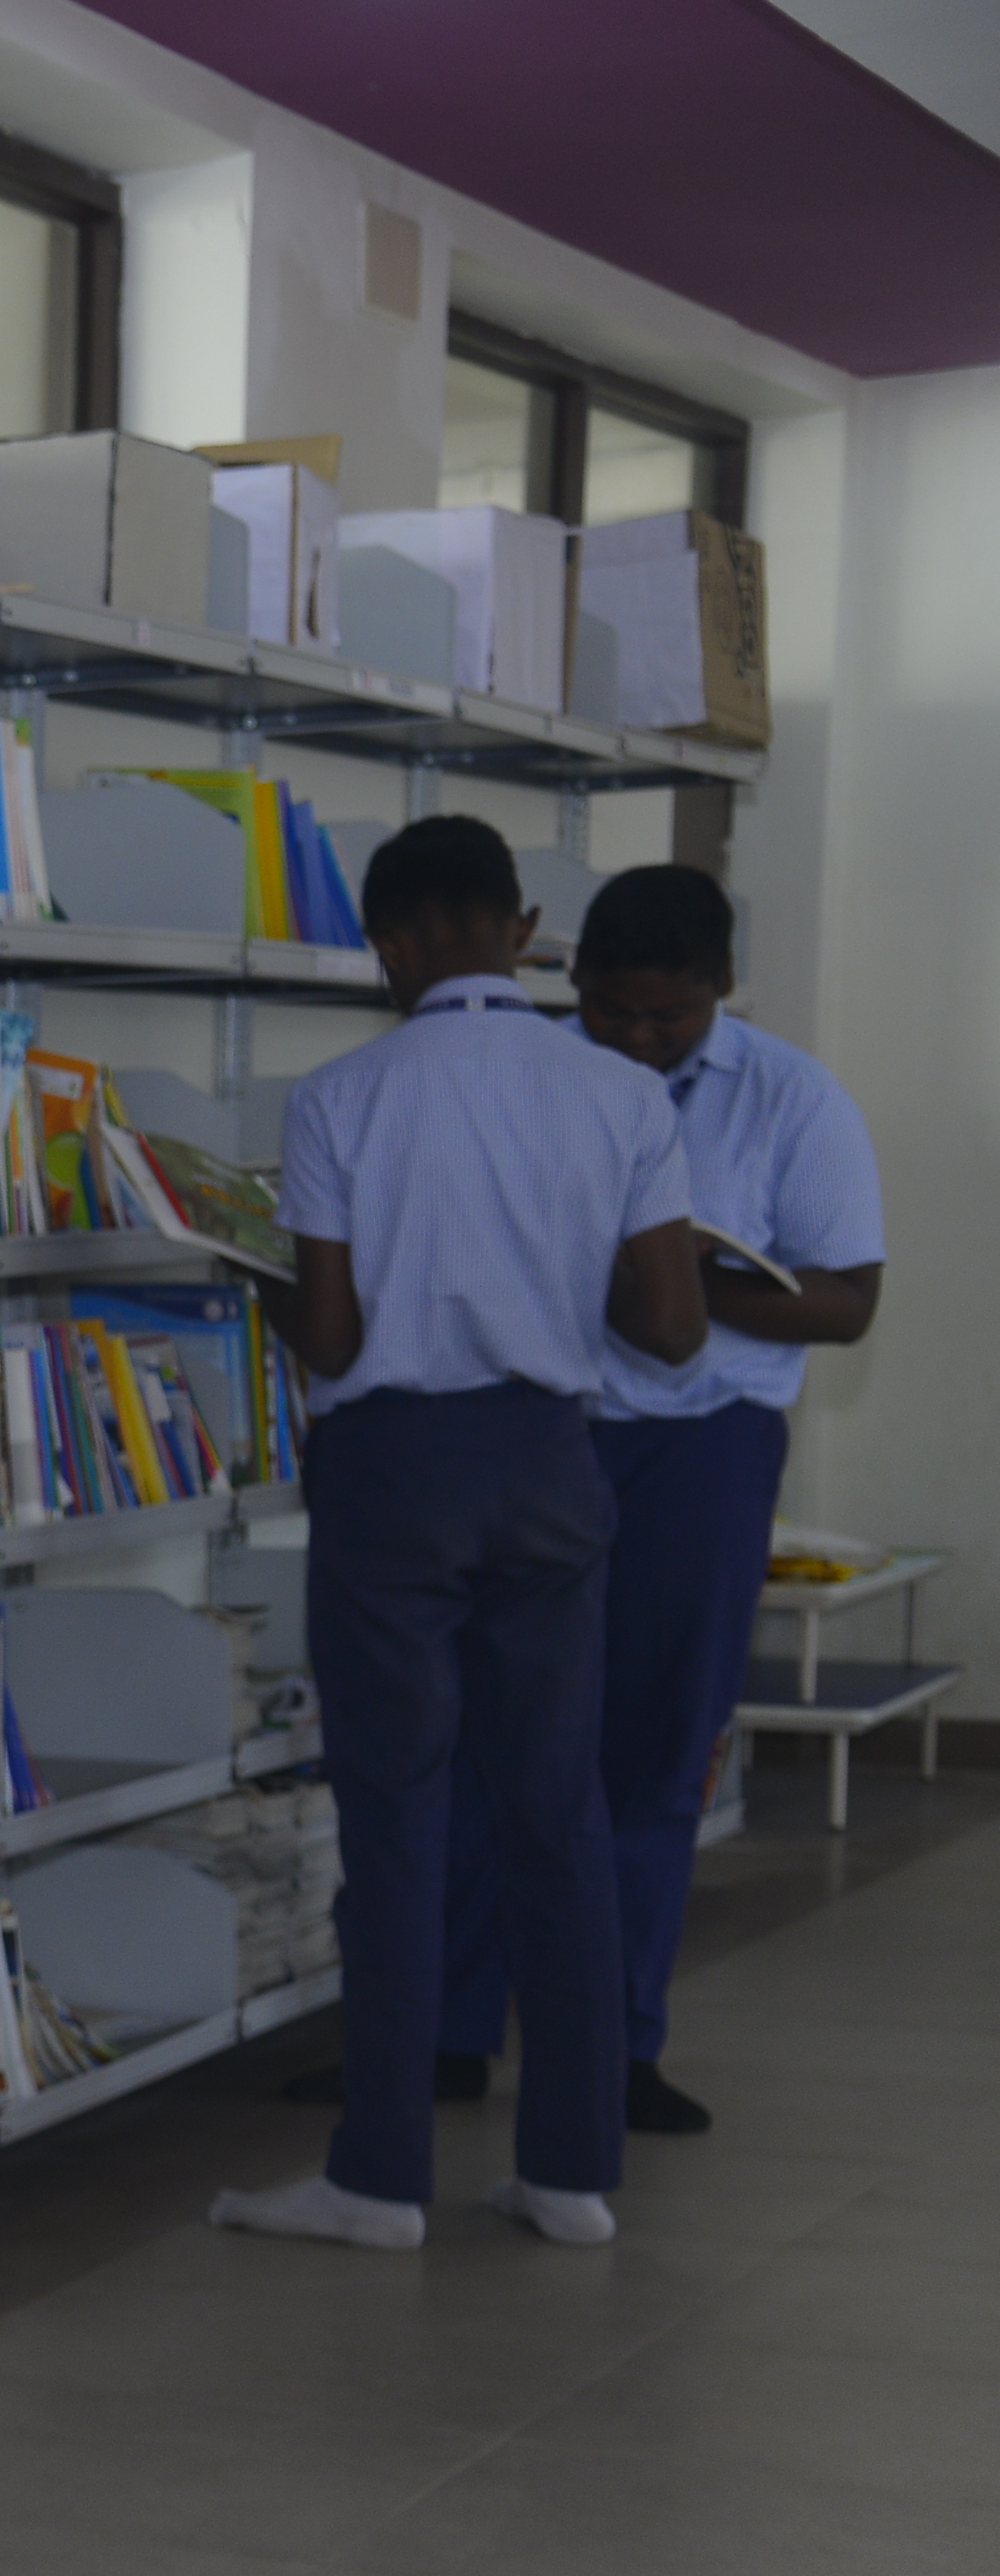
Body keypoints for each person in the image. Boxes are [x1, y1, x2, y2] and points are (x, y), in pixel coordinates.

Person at [211, 816, 705, 2255]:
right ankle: (569, 2174)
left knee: (397, 1815)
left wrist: (257, 1294)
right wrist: (548, 1274)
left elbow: (336, 1327)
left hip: (396, 1477)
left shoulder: (342, 1096)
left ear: (389, 947)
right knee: (560, 1817)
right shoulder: (619, 1095)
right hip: (553, 1468)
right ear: (526, 923)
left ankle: (377, 2177)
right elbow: (672, 1332)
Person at [433, 865, 880, 2134]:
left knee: (654, 1750)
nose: (635, 1039)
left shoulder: (794, 1100)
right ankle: (451, 2034)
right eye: (611, 1012)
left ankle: (614, 2048)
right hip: (534, 1434)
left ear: (722, 990)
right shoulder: (519, 1075)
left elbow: (847, 1301)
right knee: (479, 1732)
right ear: (564, 982)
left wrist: (671, 1284)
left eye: (667, 1018)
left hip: (703, 1449)